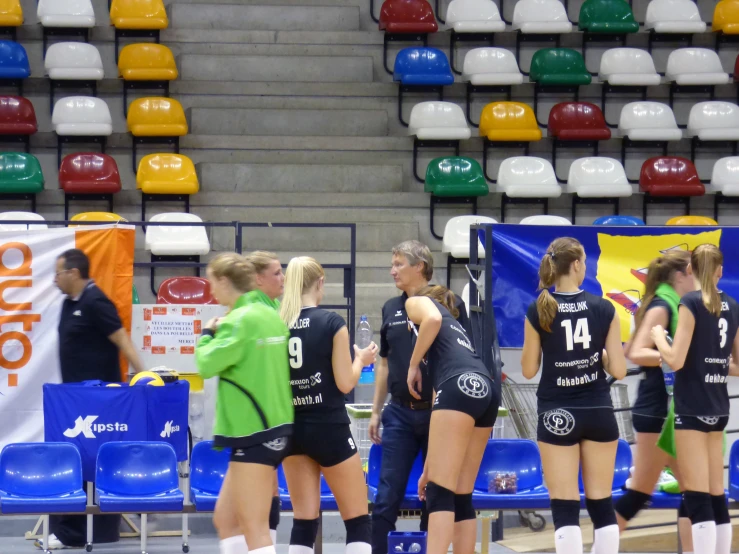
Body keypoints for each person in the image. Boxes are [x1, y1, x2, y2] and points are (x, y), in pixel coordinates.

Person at [521, 237, 626, 554]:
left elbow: (528, 370)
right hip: (597, 411)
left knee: (564, 506)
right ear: (577, 264)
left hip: (557, 413)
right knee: (601, 502)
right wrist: (602, 358)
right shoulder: (604, 308)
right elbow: (619, 371)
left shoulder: (538, 308)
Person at [38, 248, 146, 550]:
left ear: (73, 273)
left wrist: (146, 377)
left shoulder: (96, 301)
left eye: (58, 273)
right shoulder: (67, 304)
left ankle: (78, 531)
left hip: (98, 404)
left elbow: (122, 338)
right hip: (74, 402)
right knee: (73, 460)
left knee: (90, 461)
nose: (55, 280)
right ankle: (70, 530)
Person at [369, 240, 471, 554]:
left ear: (420, 267)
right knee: (387, 495)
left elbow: (462, 357)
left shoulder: (449, 302)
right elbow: (384, 363)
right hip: (399, 413)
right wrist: (375, 411)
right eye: (392, 263)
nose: (393, 270)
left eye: (399, 264)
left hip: (440, 413)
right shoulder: (390, 307)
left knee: (437, 493)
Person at [196, 253, 293, 554]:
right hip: (272, 428)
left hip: (254, 432)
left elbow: (206, 364)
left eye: (212, 282)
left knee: (254, 526)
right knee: (225, 518)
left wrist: (206, 334)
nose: (211, 291)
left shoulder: (238, 321)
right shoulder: (269, 315)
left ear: (225, 281)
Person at [279, 256, 377, 554]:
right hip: (329, 428)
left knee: (303, 521)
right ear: (320, 282)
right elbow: (346, 383)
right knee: (358, 520)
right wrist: (361, 360)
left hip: (292, 430)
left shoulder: (277, 323)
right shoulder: (332, 322)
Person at [651, 244, 739, 554]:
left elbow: (675, 360)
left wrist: (661, 338)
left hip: (691, 408)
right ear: (720, 271)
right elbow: (738, 365)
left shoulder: (690, 302)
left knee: (698, 494)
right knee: (718, 493)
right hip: (719, 407)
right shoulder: (733, 304)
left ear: (691, 270)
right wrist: (711, 360)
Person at [405, 285, 498, 554]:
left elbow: (431, 319)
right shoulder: (455, 333)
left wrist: (412, 365)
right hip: (485, 388)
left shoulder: (418, 304)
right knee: (461, 494)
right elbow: (439, 406)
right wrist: (428, 469)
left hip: (458, 386)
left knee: (440, 494)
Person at [615, 251, 693, 550]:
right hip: (657, 410)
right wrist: (678, 357)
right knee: (642, 491)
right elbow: (634, 351)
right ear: (682, 274)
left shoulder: (675, 305)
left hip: (669, 409)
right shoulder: (663, 306)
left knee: (693, 490)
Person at [246, 249, 285, 543]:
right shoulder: (257, 313)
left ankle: (265, 543)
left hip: (269, 414)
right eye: (276, 273)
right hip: (257, 417)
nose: (282, 278)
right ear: (258, 279)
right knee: (261, 491)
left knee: (269, 488)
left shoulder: (272, 308)